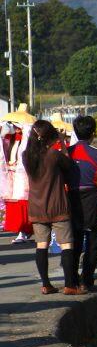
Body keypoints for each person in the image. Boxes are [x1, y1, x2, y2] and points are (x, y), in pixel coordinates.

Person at [24, 120, 79, 294]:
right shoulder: (53, 155)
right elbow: (69, 166)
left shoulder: (26, 156)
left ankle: (46, 284)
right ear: (50, 137)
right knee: (67, 245)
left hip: (36, 207)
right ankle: (70, 285)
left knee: (41, 245)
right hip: (58, 206)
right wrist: (62, 142)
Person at [68, 115, 97, 292]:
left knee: (75, 242)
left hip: (72, 200)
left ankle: (71, 280)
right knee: (94, 243)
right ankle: (86, 279)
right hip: (92, 200)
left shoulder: (68, 152)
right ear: (93, 133)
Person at [2, 104, 35, 243]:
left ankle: (25, 229)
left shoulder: (28, 136)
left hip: (22, 172)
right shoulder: (12, 137)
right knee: (13, 199)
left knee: (23, 199)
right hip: (12, 171)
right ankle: (19, 228)